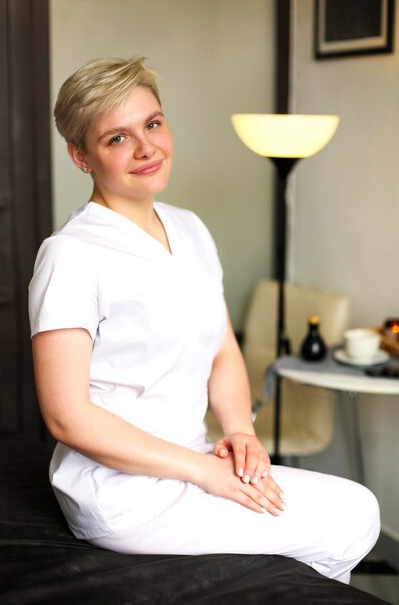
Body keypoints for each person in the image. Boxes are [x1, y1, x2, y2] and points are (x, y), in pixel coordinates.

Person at [29, 57, 380, 584]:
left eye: (152, 123)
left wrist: (242, 433)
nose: (147, 147)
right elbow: (66, 417)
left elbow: (221, 351)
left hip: (196, 463)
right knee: (350, 518)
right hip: (122, 491)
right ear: (80, 157)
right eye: (117, 138)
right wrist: (204, 473)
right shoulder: (71, 255)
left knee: (351, 509)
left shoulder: (189, 228)